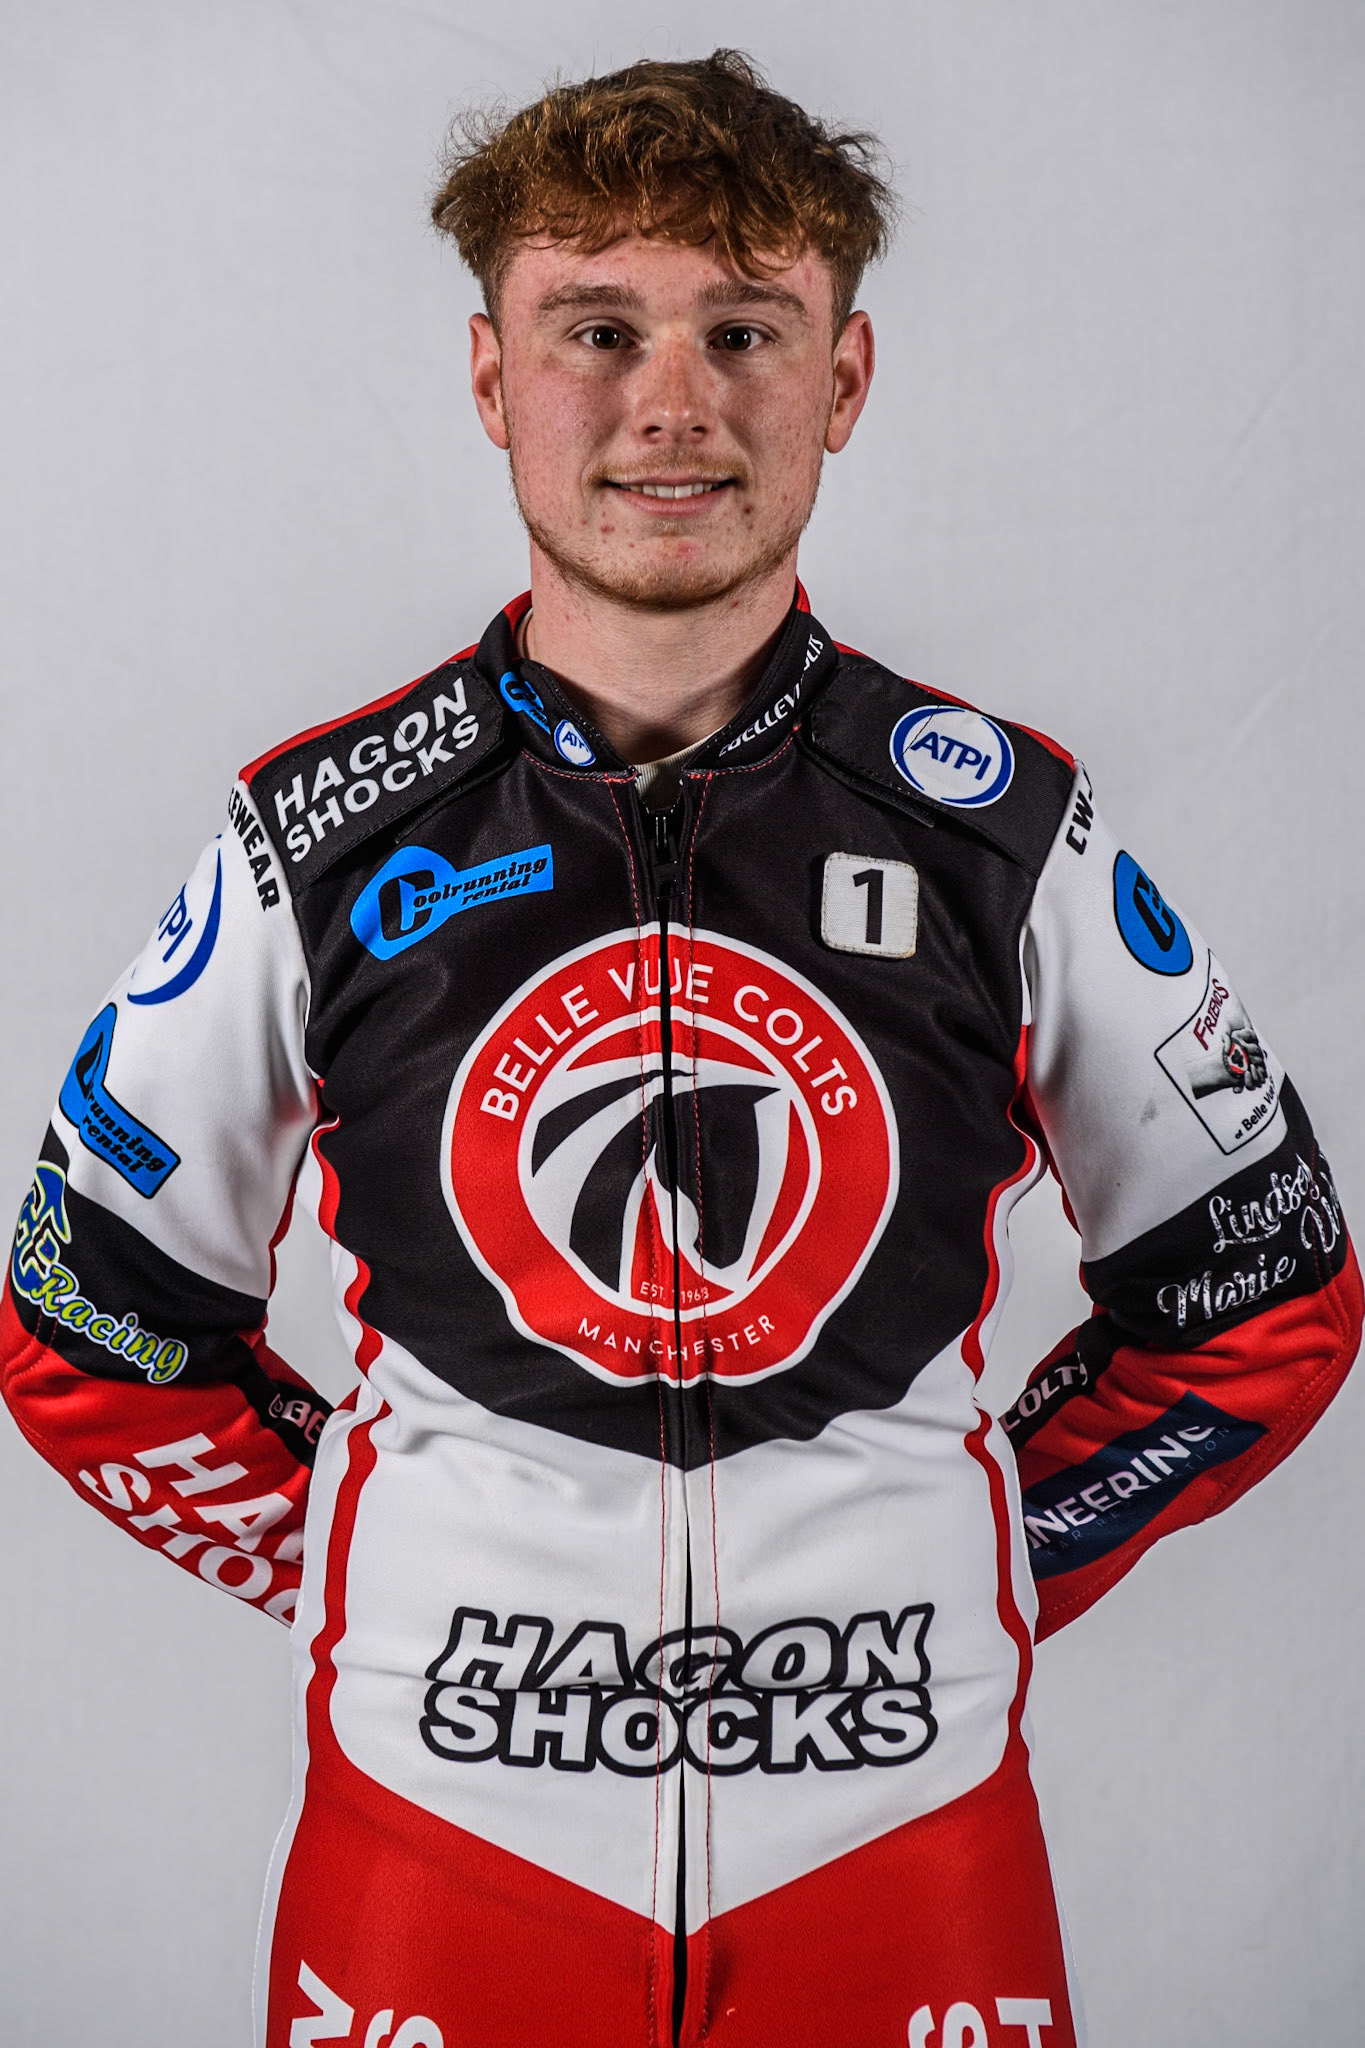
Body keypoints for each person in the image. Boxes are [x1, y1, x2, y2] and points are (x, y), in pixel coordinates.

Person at [2, 48, 1358, 2048]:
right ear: (492, 380)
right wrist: (389, 1581)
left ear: (842, 375)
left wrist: (986, 1551)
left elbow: (1261, 1300)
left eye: (743, 329)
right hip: (439, 1858)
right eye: (596, 329)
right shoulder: (319, 839)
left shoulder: (1002, 832)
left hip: (900, 1852)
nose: (670, 402)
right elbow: (87, 1326)